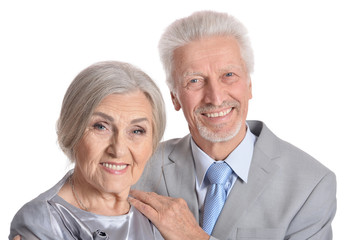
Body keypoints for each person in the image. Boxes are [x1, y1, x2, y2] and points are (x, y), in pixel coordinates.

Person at [130, 11, 337, 240]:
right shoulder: (136, 168)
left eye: (229, 75)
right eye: (195, 81)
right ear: (175, 97)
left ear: (249, 85)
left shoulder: (310, 185)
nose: (216, 98)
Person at [9, 61, 166, 239]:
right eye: (101, 127)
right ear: (72, 130)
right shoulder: (41, 221)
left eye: (137, 130)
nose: (118, 150)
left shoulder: (160, 217)